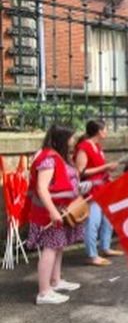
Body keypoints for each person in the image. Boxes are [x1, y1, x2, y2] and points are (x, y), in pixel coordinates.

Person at [26, 125, 83, 304]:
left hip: (57, 210)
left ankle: (55, 281)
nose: (73, 142)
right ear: (62, 139)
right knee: (50, 249)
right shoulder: (49, 159)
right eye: (70, 138)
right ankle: (44, 292)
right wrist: (52, 211)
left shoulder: (52, 156)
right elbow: (42, 188)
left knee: (57, 247)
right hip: (49, 212)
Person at [75, 120, 122, 266]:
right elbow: (81, 171)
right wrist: (106, 167)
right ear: (99, 131)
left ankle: (105, 247)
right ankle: (91, 254)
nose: (107, 132)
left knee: (108, 219)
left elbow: (100, 168)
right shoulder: (83, 147)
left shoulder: (97, 146)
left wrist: (108, 173)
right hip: (92, 190)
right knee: (93, 222)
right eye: (105, 129)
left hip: (103, 187)